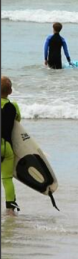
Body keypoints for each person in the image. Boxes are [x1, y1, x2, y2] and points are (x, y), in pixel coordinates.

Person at [1, 76, 21, 215]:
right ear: (11, 91)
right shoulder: (13, 106)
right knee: (7, 179)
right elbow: (18, 121)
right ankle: (10, 209)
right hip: (6, 147)